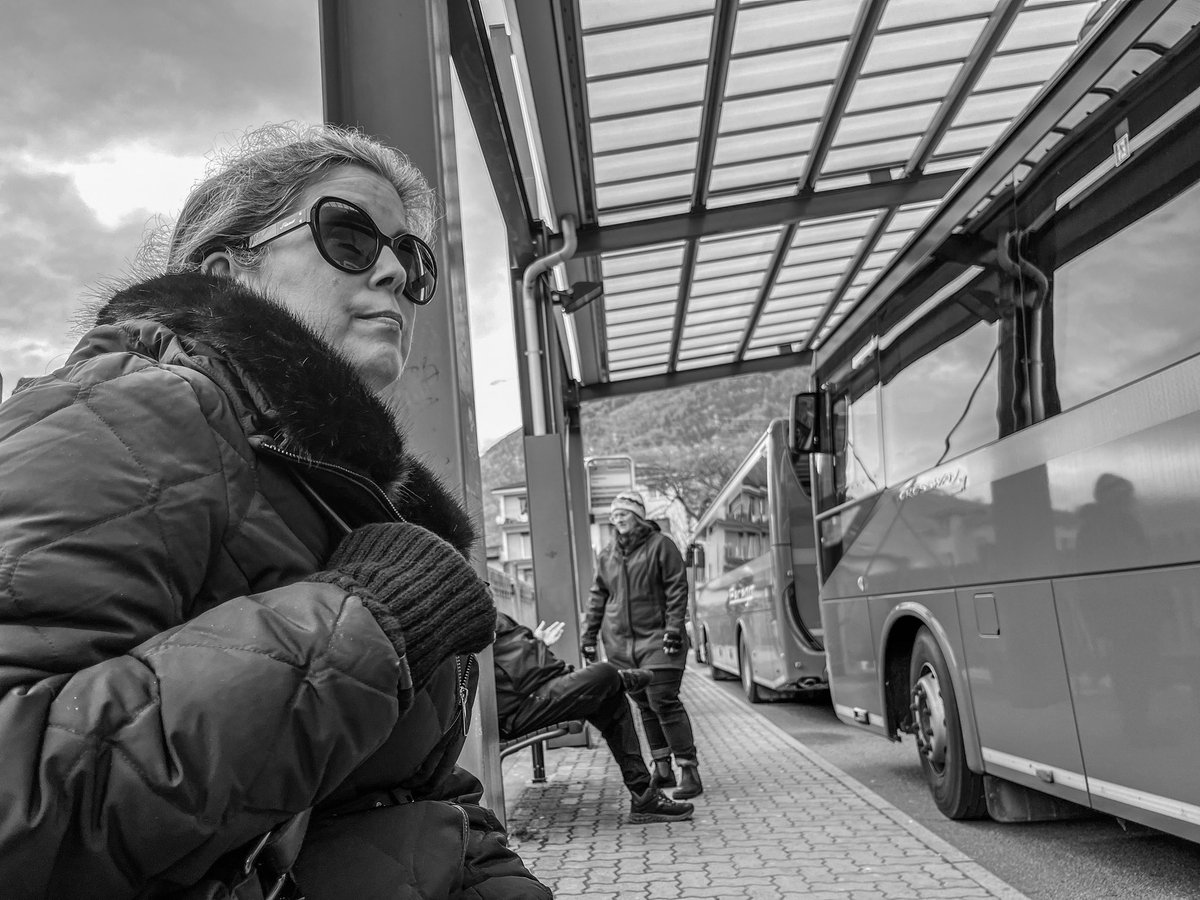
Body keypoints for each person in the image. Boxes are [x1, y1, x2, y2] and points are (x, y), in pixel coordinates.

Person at [0, 123, 549, 899]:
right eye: (349, 235)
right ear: (230, 272)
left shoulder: (333, 488)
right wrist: (365, 624)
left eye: (412, 256)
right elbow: (17, 797)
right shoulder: (118, 414)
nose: (394, 269)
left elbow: (395, 795)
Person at [493, 612, 694, 823]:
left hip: (527, 697)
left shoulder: (485, 613)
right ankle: (620, 679)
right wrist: (536, 646)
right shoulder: (478, 615)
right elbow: (515, 668)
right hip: (515, 711)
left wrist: (536, 644)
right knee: (606, 674)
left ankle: (643, 795)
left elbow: (516, 664)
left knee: (609, 695)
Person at [582, 491, 703, 800]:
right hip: (621, 644)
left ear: (637, 515)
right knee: (644, 704)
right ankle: (662, 767)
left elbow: (677, 588)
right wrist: (589, 636)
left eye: (624, 512)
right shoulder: (607, 554)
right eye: (614, 514)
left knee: (663, 698)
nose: (618, 518)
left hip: (659, 638)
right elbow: (598, 597)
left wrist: (674, 627)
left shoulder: (661, 546)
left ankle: (689, 769)